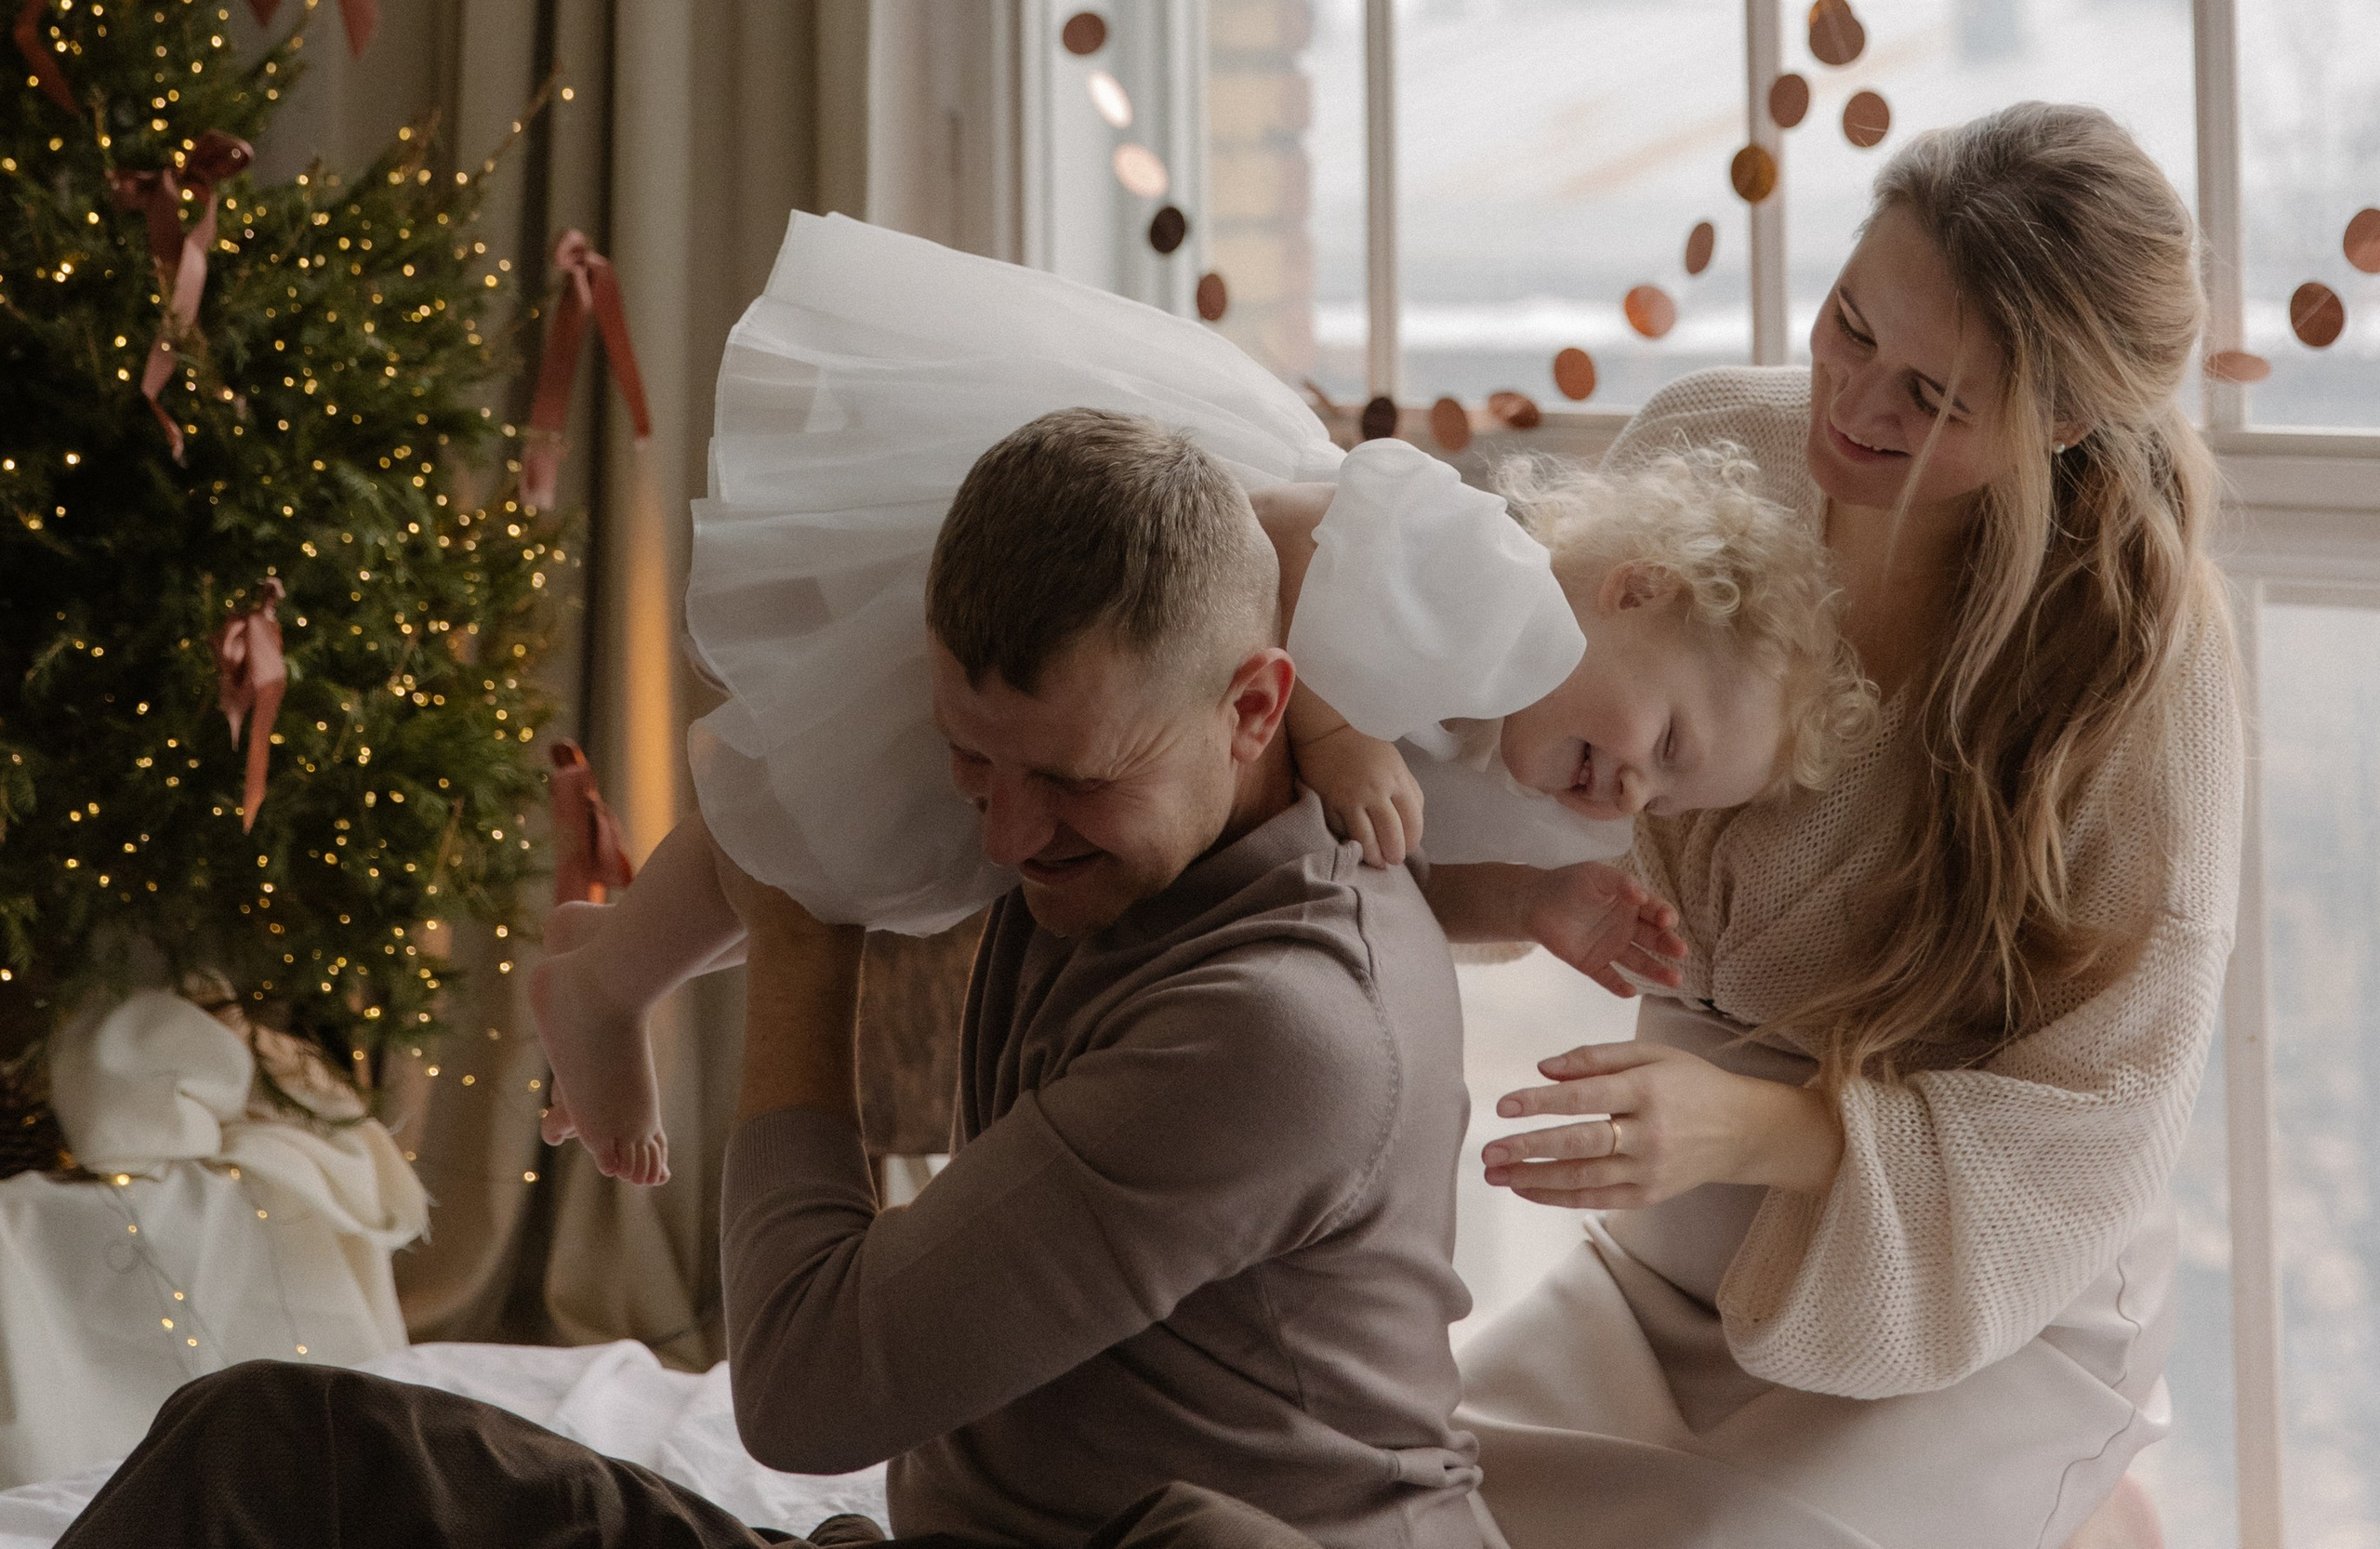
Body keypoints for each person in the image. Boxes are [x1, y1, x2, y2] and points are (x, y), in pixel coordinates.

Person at [62, 405, 1606, 1549]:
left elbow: (803, 1395)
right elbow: (1254, 524)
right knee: (274, 1444)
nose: (1005, 837)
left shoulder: (1277, 1034)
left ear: (1256, 708)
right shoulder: (1171, 801)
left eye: (1072, 783)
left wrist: (804, 943)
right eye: (970, 762)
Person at [534, 211, 1871, 1183]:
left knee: (886, 867)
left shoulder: (1533, 789)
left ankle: (621, 953)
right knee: (825, 799)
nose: (1634, 789)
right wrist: (1334, 730)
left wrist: (1527, 903)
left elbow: (1402, 878)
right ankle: (610, 986)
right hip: (1115, 595)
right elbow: (1272, 527)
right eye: (1667, 740)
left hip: (1142, 756)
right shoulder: (1489, 579)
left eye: (1671, 794)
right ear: (1634, 590)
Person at [1431, 105, 2243, 1549]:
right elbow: (1520, 741)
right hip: (1677, 1267)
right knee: (1391, 1506)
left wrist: (1752, 1122)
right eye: (1851, 324)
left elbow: (2101, 1118)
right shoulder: (1705, 446)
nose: (1854, 404)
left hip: (1975, 1306)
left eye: (1934, 397)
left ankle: (2086, 1506)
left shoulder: (2138, 664)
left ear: (2060, 422)